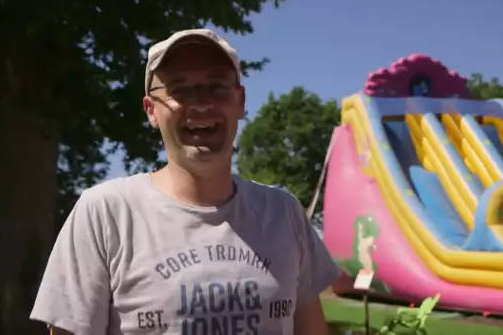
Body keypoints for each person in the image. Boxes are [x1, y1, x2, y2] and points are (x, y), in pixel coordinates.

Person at [30, 28, 341, 335]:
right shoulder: (106, 213)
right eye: (179, 90)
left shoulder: (283, 214)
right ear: (151, 111)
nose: (202, 103)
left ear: (240, 100)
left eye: (216, 86)